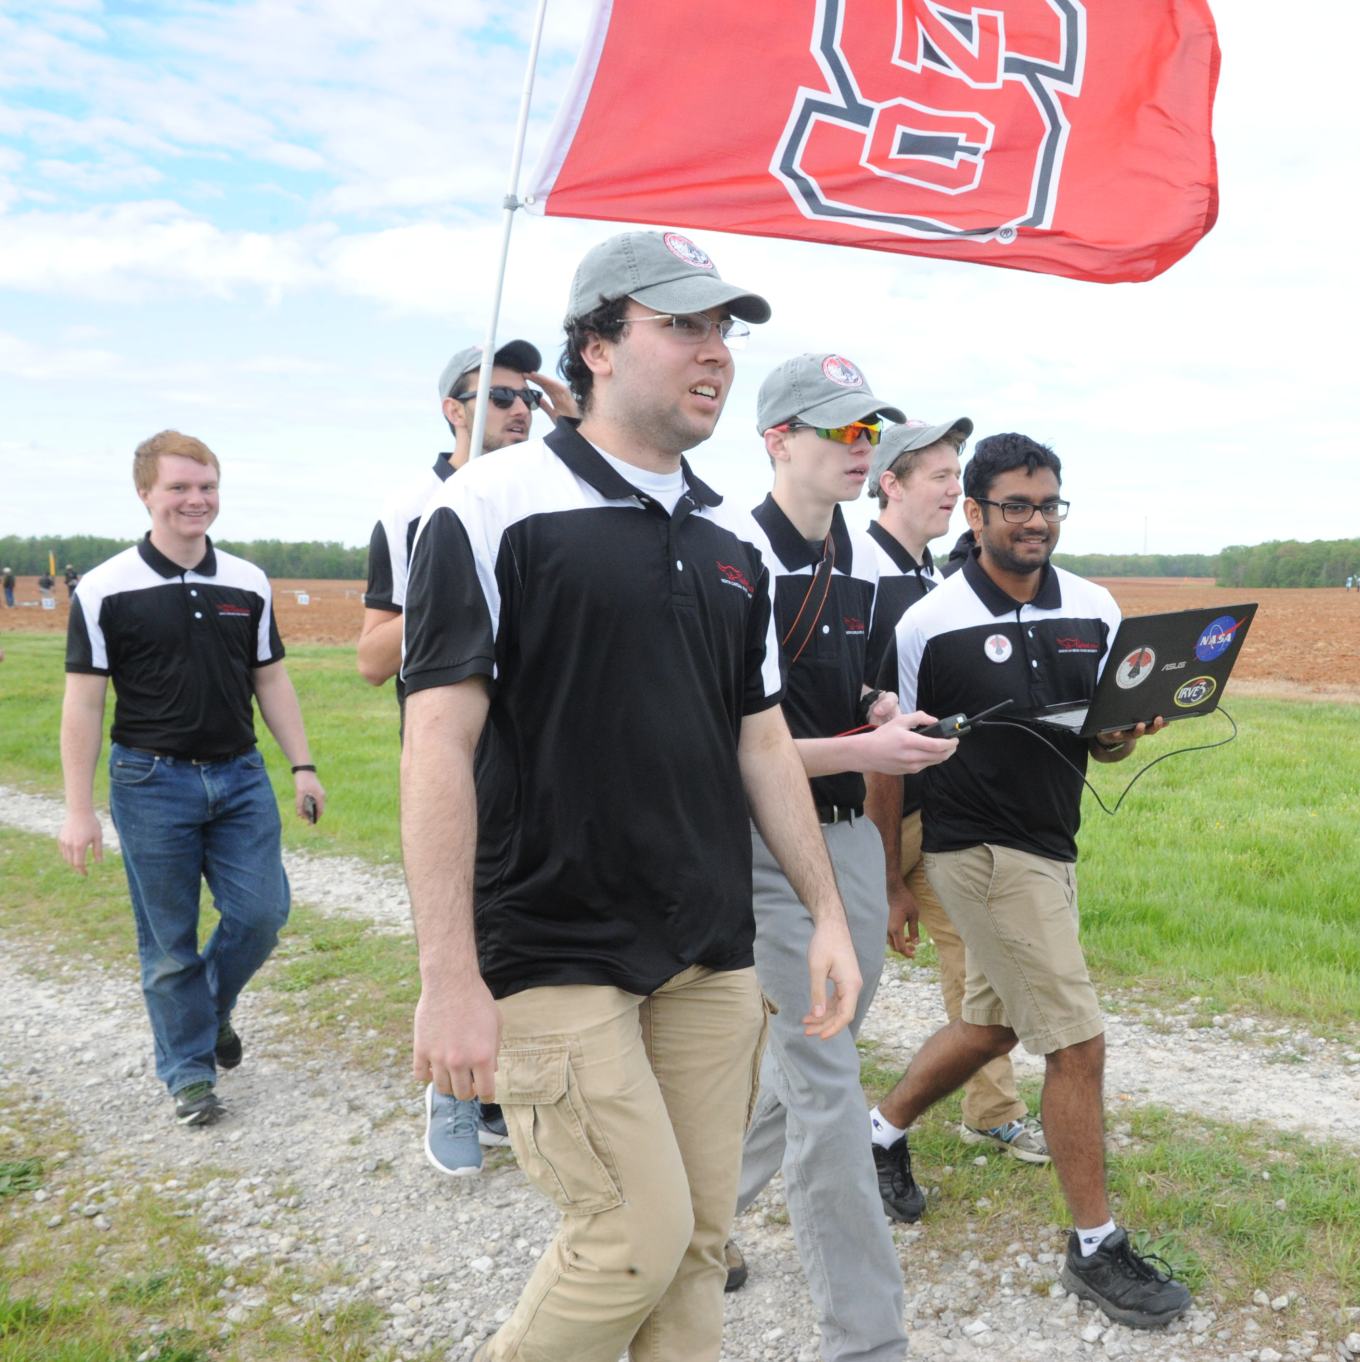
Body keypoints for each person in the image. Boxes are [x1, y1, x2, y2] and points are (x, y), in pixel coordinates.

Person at [401, 229, 862, 1362]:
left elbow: (757, 740)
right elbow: (436, 748)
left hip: (708, 945)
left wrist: (830, 913)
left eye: (724, 331)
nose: (716, 354)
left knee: (698, 1247)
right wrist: (448, 978)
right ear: (597, 345)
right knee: (628, 1239)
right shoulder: (491, 506)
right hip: (553, 945)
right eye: (683, 326)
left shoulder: (726, 540)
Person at [867, 433, 1191, 1330]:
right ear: (974, 515)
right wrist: (892, 875)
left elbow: (1104, 735)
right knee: (1076, 1044)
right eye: (1016, 505)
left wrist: (1132, 729)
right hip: (977, 851)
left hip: (1051, 845)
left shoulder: (1094, 606)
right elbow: (891, 761)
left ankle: (878, 1136)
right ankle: (1095, 1248)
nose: (1037, 520)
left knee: (988, 1025)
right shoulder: (925, 623)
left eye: (1049, 503)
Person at [715, 357, 958, 1360]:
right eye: (838, 435)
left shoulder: (854, 561)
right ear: (776, 440)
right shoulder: (728, 557)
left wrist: (880, 713)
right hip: (762, 844)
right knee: (824, 1081)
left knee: (813, 1048)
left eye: (869, 434)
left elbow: (851, 685)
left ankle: (699, 1217)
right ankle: (865, 1339)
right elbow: (719, 739)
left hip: (849, 837)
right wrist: (866, 749)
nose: (861, 452)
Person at [57, 431, 327, 1127]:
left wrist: (302, 764)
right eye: (179, 487)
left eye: (206, 486)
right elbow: (84, 702)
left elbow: (270, 677)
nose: (195, 500)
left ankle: (208, 1012)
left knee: (261, 915)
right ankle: (188, 1072)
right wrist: (78, 810)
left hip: (239, 779)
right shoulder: (106, 588)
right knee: (168, 941)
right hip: (150, 782)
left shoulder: (248, 581)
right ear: (145, 493)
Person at [356, 336, 565, 1177]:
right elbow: (373, 658)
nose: (519, 409)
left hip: (543, 744)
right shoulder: (414, 508)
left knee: (529, 922)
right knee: (467, 924)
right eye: (499, 396)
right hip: (458, 747)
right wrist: (465, 582)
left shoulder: (545, 492)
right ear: (453, 410)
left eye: (528, 397)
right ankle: (451, 1092)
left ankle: (504, 1091)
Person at [863, 417, 1050, 1166]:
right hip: (852, 815)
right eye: (939, 475)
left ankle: (991, 1110)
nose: (953, 488)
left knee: (977, 969)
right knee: (835, 981)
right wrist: (881, 875)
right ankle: (785, 1126)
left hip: (933, 814)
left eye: (956, 475)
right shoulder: (848, 570)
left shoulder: (934, 580)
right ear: (891, 484)